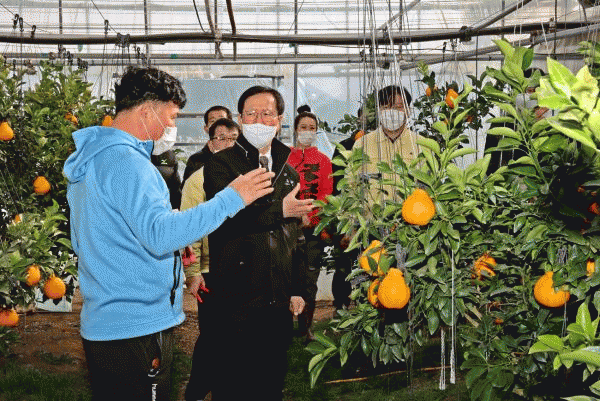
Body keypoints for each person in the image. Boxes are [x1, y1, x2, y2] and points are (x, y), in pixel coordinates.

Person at [63, 66, 274, 401]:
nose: (172, 127)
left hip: (104, 322)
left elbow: (90, 237)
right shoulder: (130, 164)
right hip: (138, 326)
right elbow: (160, 236)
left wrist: (172, 240)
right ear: (147, 112)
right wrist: (233, 197)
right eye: (172, 116)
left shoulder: (92, 160)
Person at [201, 85, 314, 401]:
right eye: (251, 113)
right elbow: (228, 219)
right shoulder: (221, 165)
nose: (259, 119)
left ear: (280, 119)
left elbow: (296, 236)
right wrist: (280, 210)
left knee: (270, 379)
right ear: (240, 119)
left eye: (267, 113)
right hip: (236, 294)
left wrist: (297, 288)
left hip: (277, 296)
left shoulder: (288, 171)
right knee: (233, 381)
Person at [181, 118, 240, 401]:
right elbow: (187, 230)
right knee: (212, 337)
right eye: (221, 138)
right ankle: (197, 390)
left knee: (237, 337)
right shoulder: (197, 180)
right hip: (209, 272)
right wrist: (192, 272)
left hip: (241, 270)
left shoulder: (246, 178)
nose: (228, 143)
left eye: (233, 138)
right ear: (211, 143)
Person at [287, 105, 333, 341]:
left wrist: (311, 216)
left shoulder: (324, 161)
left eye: (312, 128)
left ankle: (306, 329)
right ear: (295, 130)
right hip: (286, 229)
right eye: (303, 127)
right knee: (286, 278)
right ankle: (284, 326)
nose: (307, 131)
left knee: (309, 281)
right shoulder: (285, 158)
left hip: (313, 231)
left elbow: (326, 194)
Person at [352, 85, 418, 205]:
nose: (392, 112)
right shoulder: (362, 144)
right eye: (386, 107)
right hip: (372, 214)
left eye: (398, 107)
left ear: (408, 111)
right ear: (378, 111)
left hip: (411, 214)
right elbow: (351, 184)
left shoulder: (421, 144)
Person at [182, 105, 232, 183]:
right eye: (213, 121)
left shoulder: (243, 155)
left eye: (222, 120)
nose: (217, 125)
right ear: (206, 129)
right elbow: (187, 187)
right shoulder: (196, 160)